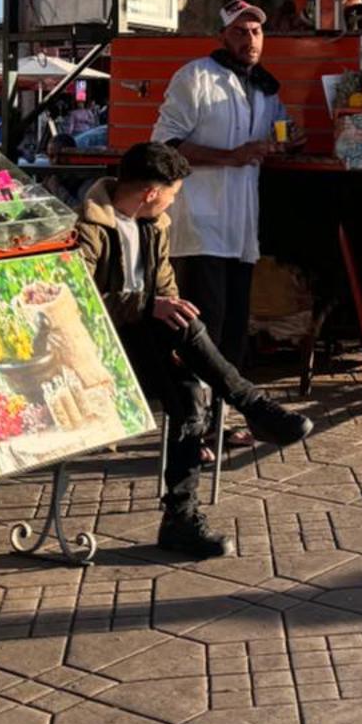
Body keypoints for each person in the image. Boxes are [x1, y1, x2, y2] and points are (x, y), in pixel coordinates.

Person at [75, 142, 311, 558]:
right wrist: (150, 305)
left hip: (148, 340)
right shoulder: (88, 226)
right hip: (103, 347)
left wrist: (160, 308)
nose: (173, 200)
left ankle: (180, 521)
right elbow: (81, 300)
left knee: (189, 393)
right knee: (179, 324)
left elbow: (165, 288)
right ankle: (253, 406)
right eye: (173, 192)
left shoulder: (154, 223)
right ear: (151, 192)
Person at [152, 0, 292, 422]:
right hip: (200, 225)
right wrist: (230, 156)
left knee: (233, 330)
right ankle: (191, 420)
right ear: (222, 37)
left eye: (256, 32)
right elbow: (165, 145)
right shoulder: (196, 77)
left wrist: (285, 141)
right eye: (240, 31)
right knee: (202, 330)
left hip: (240, 229)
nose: (250, 39)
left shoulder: (268, 90)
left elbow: (276, 135)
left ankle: (220, 420)